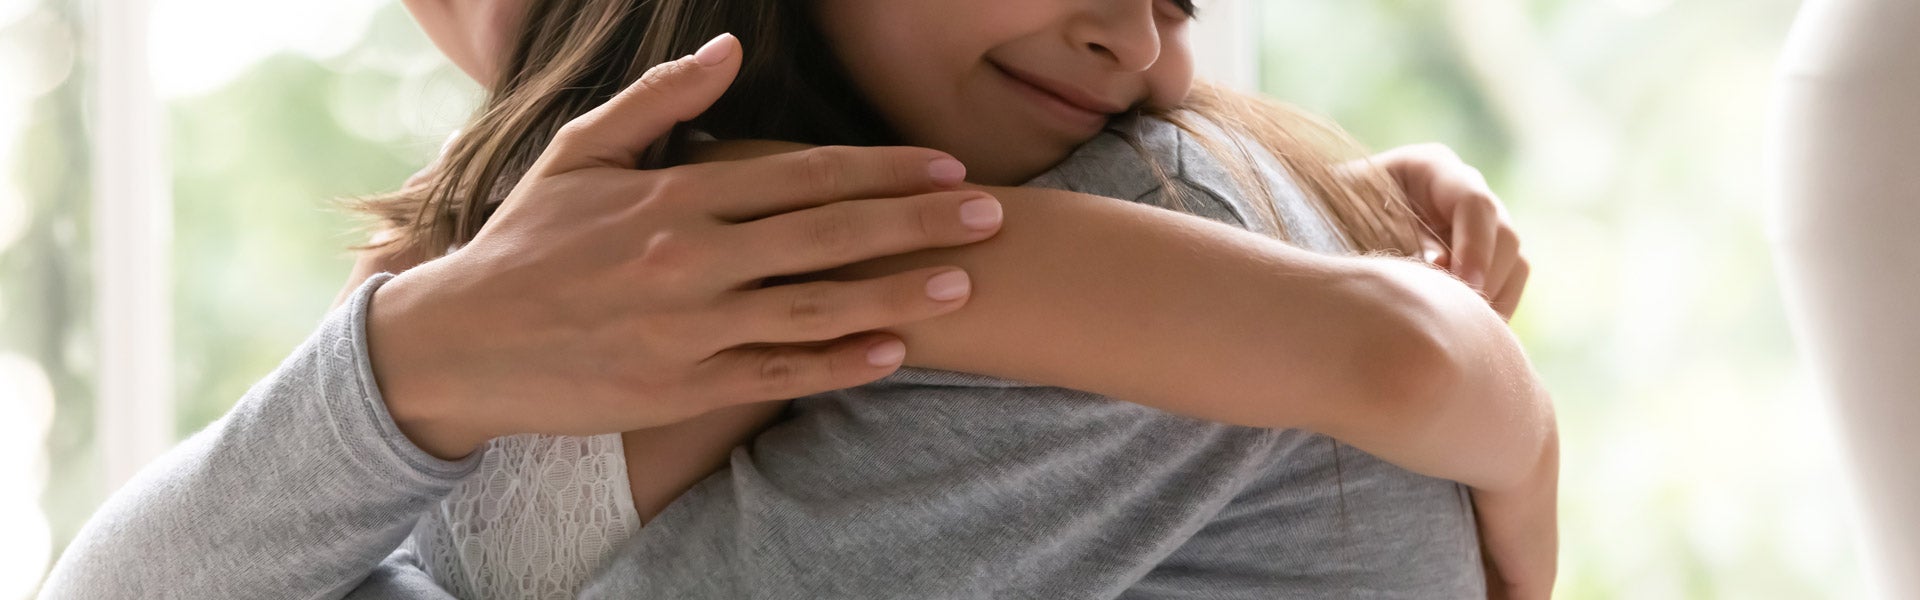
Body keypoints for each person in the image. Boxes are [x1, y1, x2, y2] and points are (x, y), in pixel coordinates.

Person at [41, 1, 1555, 599]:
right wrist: (411, 359)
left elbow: (1398, 352)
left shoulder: (1075, 241)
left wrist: (1514, 422)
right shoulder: (624, 254)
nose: (1134, 49)